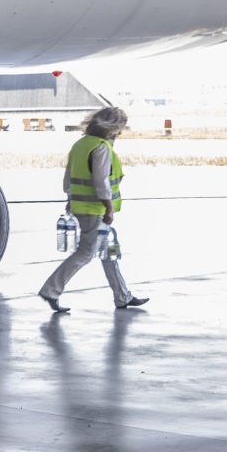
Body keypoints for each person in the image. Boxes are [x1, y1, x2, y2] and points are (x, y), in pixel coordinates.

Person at [39, 106, 149, 313]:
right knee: (86, 253)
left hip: (82, 206)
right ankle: (51, 290)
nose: (120, 133)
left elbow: (67, 180)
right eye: (120, 128)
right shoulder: (101, 148)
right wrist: (108, 208)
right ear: (112, 128)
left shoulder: (80, 145)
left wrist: (71, 199)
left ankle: (122, 296)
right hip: (95, 209)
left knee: (108, 252)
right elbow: (101, 181)